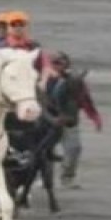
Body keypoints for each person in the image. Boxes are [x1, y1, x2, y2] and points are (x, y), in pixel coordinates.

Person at [45, 52, 102, 188]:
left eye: (61, 63)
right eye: (55, 63)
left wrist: (94, 117)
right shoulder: (43, 80)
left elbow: (85, 99)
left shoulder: (75, 80)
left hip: (69, 119)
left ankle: (67, 177)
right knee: (45, 151)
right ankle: (45, 177)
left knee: (74, 149)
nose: (58, 66)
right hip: (48, 121)